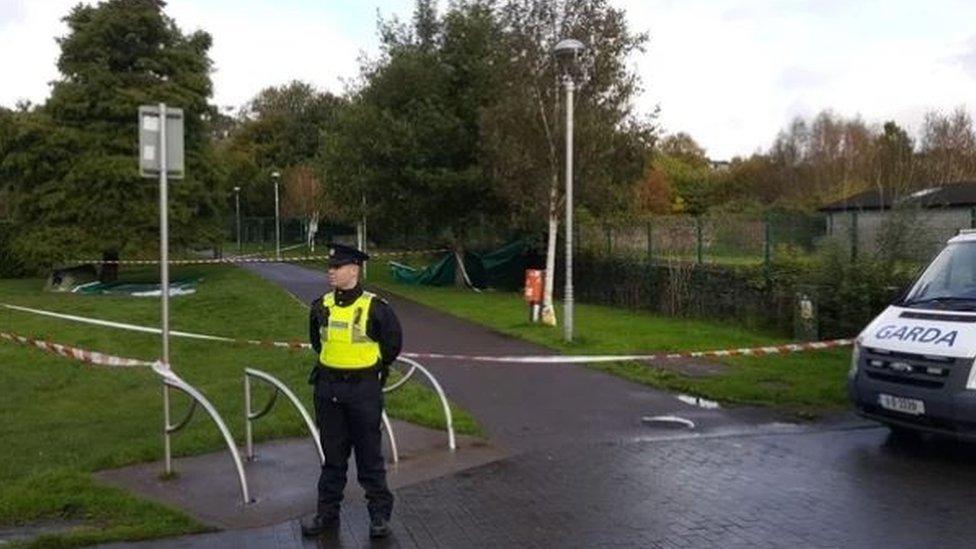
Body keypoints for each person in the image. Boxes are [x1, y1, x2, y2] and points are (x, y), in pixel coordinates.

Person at [301, 243, 402, 539]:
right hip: (328, 390)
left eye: (337, 267)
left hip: (363, 392)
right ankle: (327, 514)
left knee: (369, 458)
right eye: (329, 267)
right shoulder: (320, 306)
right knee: (332, 457)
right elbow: (318, 344)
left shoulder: (377, 308)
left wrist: (369, 369)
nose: (330, 272)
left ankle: (379, 517)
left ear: (354, 270)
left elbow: (392, 346)